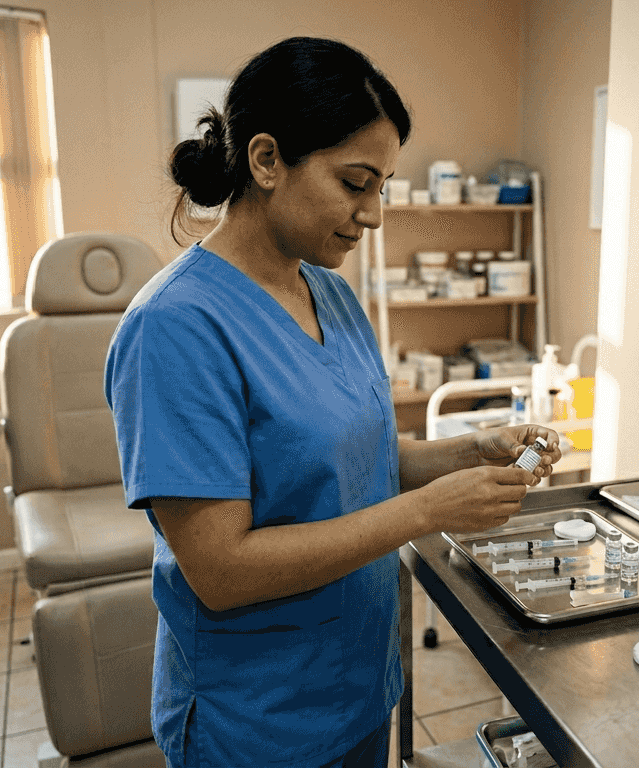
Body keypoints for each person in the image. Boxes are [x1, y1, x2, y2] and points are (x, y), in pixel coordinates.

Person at [104, 37, 561, 768]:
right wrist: (430, 512)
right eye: (355, 183)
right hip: (256, 720)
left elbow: (356, 459)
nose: (373, 214)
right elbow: (221, 570)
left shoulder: (331, 294)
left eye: (381, 186)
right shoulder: (176, 329)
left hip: (356, 684)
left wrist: (468, 451)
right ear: (265, 160)